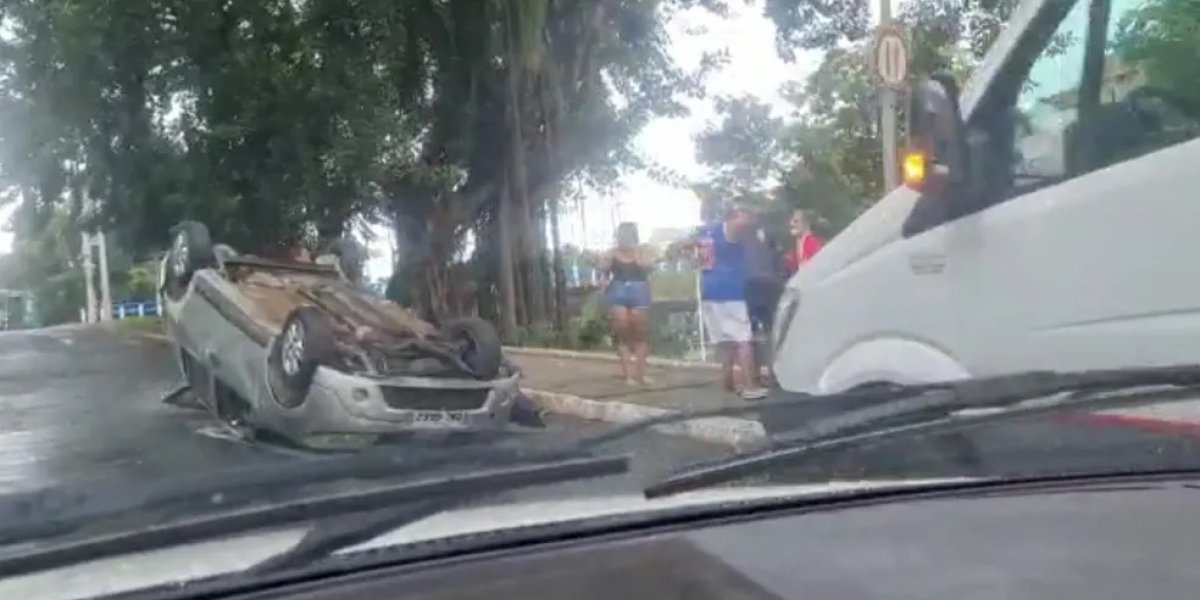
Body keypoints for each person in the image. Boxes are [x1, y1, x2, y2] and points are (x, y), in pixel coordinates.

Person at [688, 203, 768, 400]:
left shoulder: (706, 233)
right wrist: (752, 218)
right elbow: (739, 223)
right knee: (742, 339)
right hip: (731, 291)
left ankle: (728, 381)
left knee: (723, 339)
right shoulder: (731, 229)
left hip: (710, 289)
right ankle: (749, 386)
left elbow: (695, 259)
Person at [598, 222, 655, 386]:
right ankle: (628, 375)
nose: (626, 238)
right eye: (623, 235)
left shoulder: (643, 252)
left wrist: (636, 253)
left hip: (639, 290)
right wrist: (603, 283)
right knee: (622, 332)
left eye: (629, 234)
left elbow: (649, 267)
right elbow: (602, 273)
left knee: (640, 333)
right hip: (618, 291)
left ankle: (641, 374)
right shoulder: (611, 254)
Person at [742, 211, 787, 386]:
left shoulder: (743, 236)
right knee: (771, 330)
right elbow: (779, 261)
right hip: (769, 285)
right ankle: (772, 371)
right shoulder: (772, 234)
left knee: (750, 332)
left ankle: (755, 373)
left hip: (752, 285)